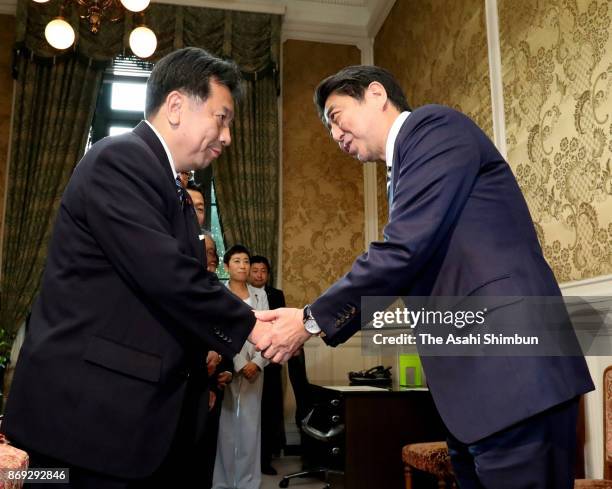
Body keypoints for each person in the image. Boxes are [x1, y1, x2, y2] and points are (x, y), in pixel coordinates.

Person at [253, 65, 595, 489]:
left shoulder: (433, 127)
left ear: (376, 94)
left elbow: (402, 251)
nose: (335, 135)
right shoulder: (404, 172)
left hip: (513, 376)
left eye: (337, 117)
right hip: (477, 393)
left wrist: (308, 320)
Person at [2, 47, 273, 488]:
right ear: (176, 106)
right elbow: (165, 274)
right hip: (84, 427)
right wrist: (255, 327)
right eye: (221, 118)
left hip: (138, 424)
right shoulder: (120, 160)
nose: (227, 137)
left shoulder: (178, 194)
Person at [213, 245, 268, 489]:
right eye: (237, 261)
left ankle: (248, 482)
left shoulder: (260, 295)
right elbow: (219, 331)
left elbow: (269, 333)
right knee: (226, 427)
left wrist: (256, 363)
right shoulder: (219, 294)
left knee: (250, 425)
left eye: (246, 261)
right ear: (227, 266)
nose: (243, 266)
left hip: (255, 366)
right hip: (228, 364)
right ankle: (224, 482)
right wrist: (238, 363)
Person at [249, 256, 286, 475]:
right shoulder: (240, 293)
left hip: (271, 361)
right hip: (245, 359)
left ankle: (264, 460)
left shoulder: (276, 295)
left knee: (268, 412)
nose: (259, 275)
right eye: (255, 271)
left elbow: (280, 327)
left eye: (263, 271)